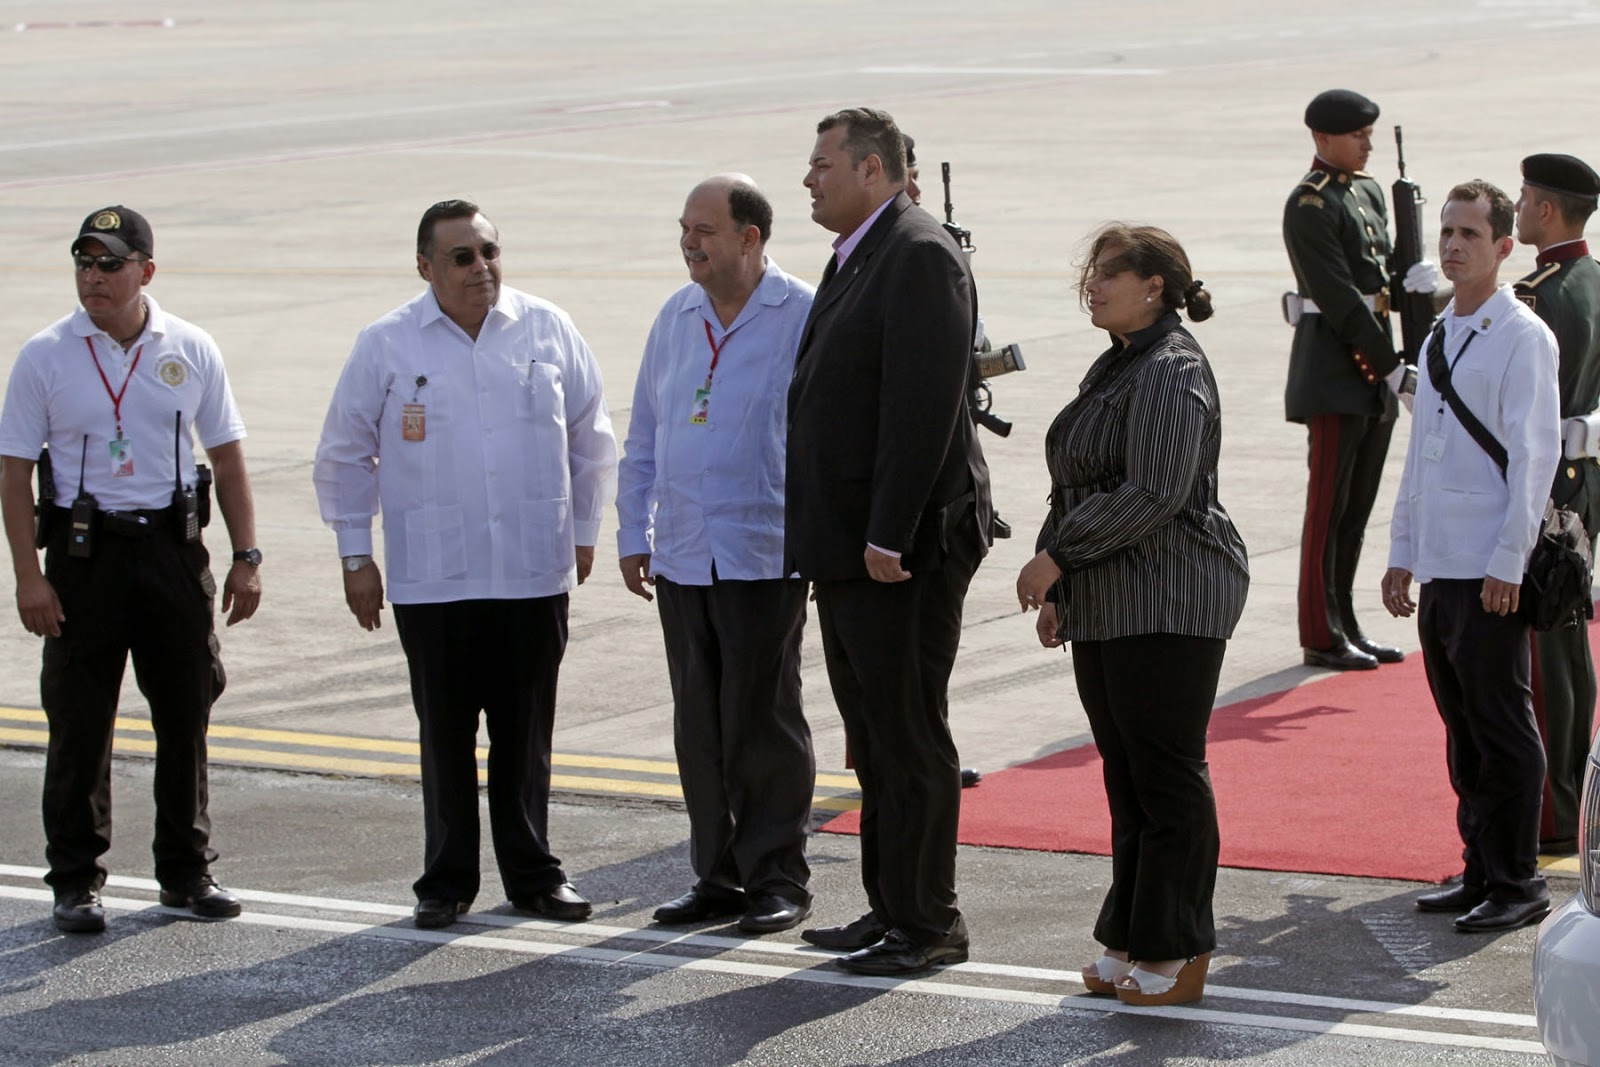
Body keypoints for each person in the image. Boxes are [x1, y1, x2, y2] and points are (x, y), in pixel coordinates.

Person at [313, 199, 618, 931]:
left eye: (489, 251)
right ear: (426, 267)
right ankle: (446, 879)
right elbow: (344, 455)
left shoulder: (546, 328)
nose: (480, 268)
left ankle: (534, 873)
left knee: (525, 734)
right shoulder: (387, 344)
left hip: (530, 568)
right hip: (434, 575)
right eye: (462, 257)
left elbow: (591, 436)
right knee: (446, 735)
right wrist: (357, 554)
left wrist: (581, 530)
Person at [0, 205, 262, 933]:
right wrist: (28, 575)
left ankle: (186, 869)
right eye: (84, 263)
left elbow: (229, 453)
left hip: (172, 553)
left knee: (186, 714)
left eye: (110, 263)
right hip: (85, 559)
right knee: (80, 721)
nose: (94, 277)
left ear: (145, 271)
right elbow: (13, 471)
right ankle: (76, 878)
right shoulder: (46, 354)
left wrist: (247, 556)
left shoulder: (190, 346)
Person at [1017, 224, 1248, 1007]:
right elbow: (1077, 485)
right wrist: (1064, 591)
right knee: (1129, 776)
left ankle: (1178, 946)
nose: (1094, 283)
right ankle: (1132, 933)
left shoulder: (1171, 367)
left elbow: (1154, 490)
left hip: (1172, 592)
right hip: (1115, 596)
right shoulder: (1120, 362)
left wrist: (1059, 558)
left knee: (1166, 773)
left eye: (1110, 272)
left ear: (1155, 285)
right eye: (1092, 271)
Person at [787, 107, 992, 977]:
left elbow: (923, 408)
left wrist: (886, 533)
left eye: (822, 163)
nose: (809, 178)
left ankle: (930, 919)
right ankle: (891, 905)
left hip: (897, 552)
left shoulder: (917, 253)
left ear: (872, 169)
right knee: (872, 737)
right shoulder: (864, 249)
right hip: (853, 551)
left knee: (908, 733)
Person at [615, 175, 816, 934]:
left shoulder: (798, 313)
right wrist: (636, 532)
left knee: (762, 718)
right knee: (699, 723)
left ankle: (776, 875)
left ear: (750, 237)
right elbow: (644, 432)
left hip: (765, 551)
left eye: (704, 228)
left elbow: (821, 440)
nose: (689, 241)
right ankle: (717, 874)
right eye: (683, 228)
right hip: (685, 553)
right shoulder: (675, 315)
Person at [1382, 180, 1560, 932]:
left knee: (1501, 725)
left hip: (1490, 565)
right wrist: (1401, 551)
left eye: (1470, 234)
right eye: (1447, 232)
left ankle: (1517, 880)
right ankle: (1480, 865)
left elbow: (1534, 455)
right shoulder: (1439, 333)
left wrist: (1509, 561)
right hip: (1444, 564)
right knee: (1461, 725)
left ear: (1503, 247)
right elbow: (1423, 455)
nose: (1453, 245)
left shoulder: (1523, 335)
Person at [1284, 89, 1438, 671]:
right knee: (1326, 509)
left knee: (1355, 509)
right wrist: (1391, 365)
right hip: (1333, 372)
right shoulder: (1310, 205)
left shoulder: (1368, 191)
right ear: (1323, 139)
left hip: (1372, 372)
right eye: (1357, 136)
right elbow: (1342, 300)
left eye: (1370, 135)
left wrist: (1414, 282)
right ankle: (1318, 631)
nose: (1368, 145)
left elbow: (1381, 278)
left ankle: (1343, 618)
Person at [1512, 153, 1600, 856]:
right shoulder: (1594, 280)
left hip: (1549, 488)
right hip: (1587, 482)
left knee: (1547, 645)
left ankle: (1552, 808)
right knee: (1570, 639)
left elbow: (1533, 407)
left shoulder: (1539, 295)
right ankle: (1570, 791)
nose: (1516, 208)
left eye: (1522, 198)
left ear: (1546, 210)